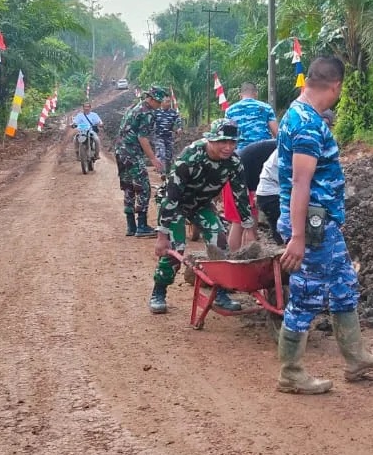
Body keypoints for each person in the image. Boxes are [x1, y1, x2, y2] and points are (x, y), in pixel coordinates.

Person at [276, 57, 373, 394]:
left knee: (343, 283)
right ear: (336, 85)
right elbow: (300, 182)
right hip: (310, 226)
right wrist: (297, 236)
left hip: (323, 224)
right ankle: (290, 372)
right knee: (306, 295)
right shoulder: (307, 123)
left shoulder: (297, 114)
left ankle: (355, 358)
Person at [150, 119, 255, 314]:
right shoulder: (190, 157)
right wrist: (162, 235)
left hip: (201, 204)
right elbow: (171, 196)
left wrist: (249, 227)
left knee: (220, 243)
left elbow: (240, 195)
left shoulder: (233, 162)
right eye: (223, 142)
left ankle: (221, 292)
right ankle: (159, 290)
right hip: (176, 204)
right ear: (211, 140)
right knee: (176, 249)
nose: (228, 147)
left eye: (232, 142)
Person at [113, 87, 167, 238]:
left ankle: (131, 226)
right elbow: (142, 138)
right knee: (143, 188)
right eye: (158, 102)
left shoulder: (135, 108)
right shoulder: (146, 112)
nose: (159, 105)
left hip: (120, 151)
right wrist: (153, 158)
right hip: (131, 153)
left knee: (129, 187)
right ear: (151, 99)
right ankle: (142, 226)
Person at [226, 137, 276, 251]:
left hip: (251, 177)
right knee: (239, 221)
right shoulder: (291, 148)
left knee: (252, 216)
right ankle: (233, 260)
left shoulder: (284, 145)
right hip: (238, 175)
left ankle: (247, 257)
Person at [225, 82, 278, 147]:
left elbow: (227, 135)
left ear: (240, 95)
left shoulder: (230, 110)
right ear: (256, 93)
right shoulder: (266, 108)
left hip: (240, 152)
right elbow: (277, 134)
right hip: (264, 150)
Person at [153, 94, 182, 167]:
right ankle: (162, 173)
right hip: (159, 137)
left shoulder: (173, 112)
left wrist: (179, 128)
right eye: (167, 101)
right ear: (162, 102)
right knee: (161, 154)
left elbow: (178, 120)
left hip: (169, 137)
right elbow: (150, 123)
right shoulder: (156, 112)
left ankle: (168, 173)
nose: (169, 103)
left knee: (169, 157)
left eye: (169, 101)